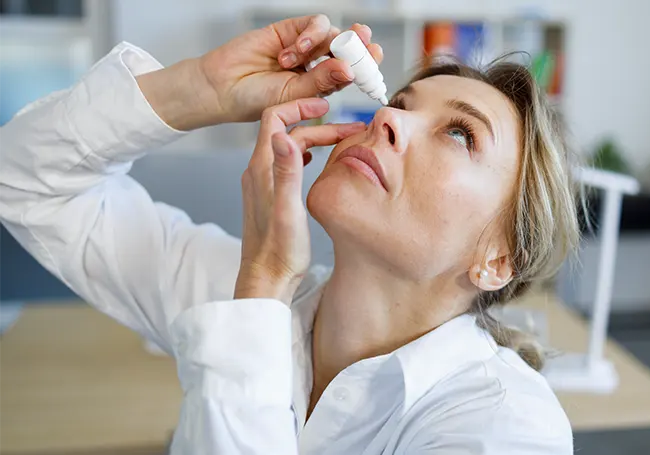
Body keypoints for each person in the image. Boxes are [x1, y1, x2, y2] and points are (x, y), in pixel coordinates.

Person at [0, 14, 579, 455]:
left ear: (498, 259)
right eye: (400, 103)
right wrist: (203, 90)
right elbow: (25, 181)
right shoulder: (249, 295)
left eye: (459, 135)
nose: (389, 119)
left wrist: (264, 282)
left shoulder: (507, 429)